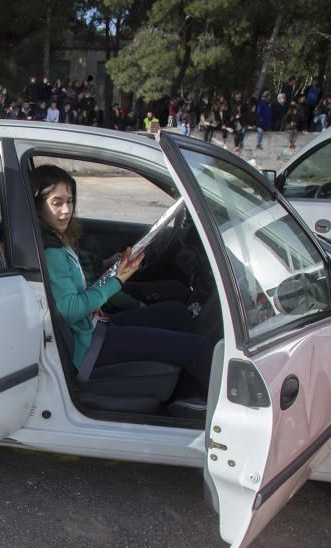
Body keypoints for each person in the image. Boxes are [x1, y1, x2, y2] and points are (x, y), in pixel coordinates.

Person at [32, 165, 213, 411]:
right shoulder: (51, 251)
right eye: (56, 203)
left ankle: (187, 396)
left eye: (70, 201)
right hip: (87, 348)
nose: (66, 211)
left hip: (94, 328)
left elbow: (76, 296)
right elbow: (70, 310)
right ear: (39, 205)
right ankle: (200, 406)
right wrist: (117, 281)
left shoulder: (55, 241)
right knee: (198, 349)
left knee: (176, 312)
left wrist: (116, 273)